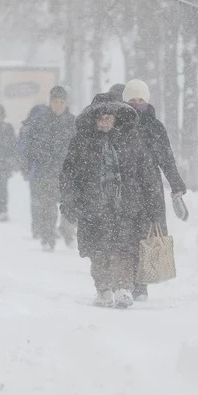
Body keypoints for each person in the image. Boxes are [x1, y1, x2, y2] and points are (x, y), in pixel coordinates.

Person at [60, 97, 164, 309]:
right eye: (101, 118)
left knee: (124, 249)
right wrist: (69, 202)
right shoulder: (81, 142)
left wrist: (154, 208)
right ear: (94, 120)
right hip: (92, 207)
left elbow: (147, 175)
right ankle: (104, 289)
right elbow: (69, 175)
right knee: (98, 251)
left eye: (109, 118)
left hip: (126, 207)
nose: (105, 122)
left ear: (116, 119)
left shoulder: (131, 140)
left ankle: (123, 288)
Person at [121, 79, 188, 301]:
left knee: (146, 235)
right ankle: (126, 279)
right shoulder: (118, 124)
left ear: (147, 100)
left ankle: (141, 283)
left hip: (149, 188)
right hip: (124, 186)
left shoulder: (155, 126)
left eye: (140, 99)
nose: (136, 104)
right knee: (125, 235)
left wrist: (176, 184)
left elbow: (166, 159)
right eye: (132, 100)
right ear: (125, 101)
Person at [25, 85, 76, 251]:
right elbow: (30, 145)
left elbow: (80, 148)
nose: (58, 105)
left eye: (61, 102)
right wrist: (31, 163)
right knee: (48, 207)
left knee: (69, 207)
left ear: (66, 103)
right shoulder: (41, 121)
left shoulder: (73, 122)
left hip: (67, 173)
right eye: (55, 101)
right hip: (46, 172)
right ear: (50, 102)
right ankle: (47, 238)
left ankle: (68, 233)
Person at [19, 103, 52, 238]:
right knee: (48, 201)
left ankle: (38, 227)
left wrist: (25, 169)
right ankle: (46, 227)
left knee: (37, 200)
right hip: (45, 170)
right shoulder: (49, 127)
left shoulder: (27, 128)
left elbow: (22, 150)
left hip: (35, 170)